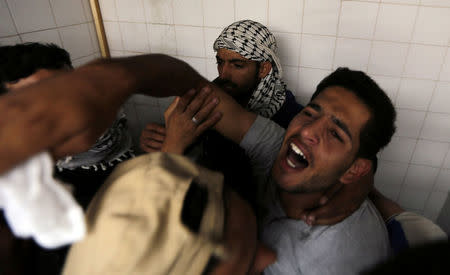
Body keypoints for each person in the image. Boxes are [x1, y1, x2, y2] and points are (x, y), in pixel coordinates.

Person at [0, 42, 135, 209]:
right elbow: (141, 217)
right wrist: (172, 143)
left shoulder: (105, 125)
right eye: (49, 100)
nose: (77, 107)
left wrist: (149, 145)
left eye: (74, 89)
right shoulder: (44, 192)